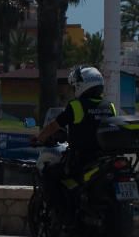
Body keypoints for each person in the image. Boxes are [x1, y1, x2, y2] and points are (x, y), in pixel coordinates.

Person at [32, 66, 117, 218]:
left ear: (81, 86)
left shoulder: (76, 106)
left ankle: (61, 214)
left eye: (75, 85)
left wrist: (39, 138)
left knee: (50, 174)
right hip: (105, 158)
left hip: (81, 159)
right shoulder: (109, 106)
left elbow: (54, 125)